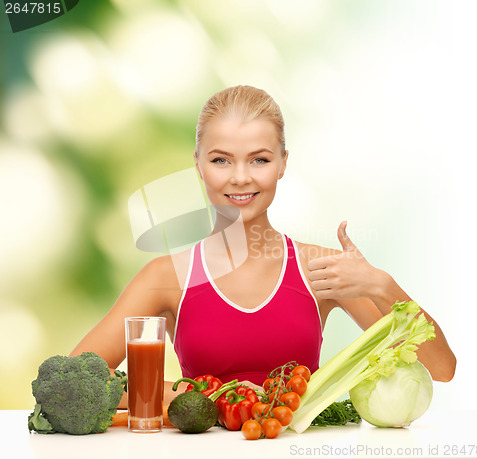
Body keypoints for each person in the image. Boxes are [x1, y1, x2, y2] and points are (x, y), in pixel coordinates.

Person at [70, 85, 456, 408]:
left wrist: (380, 285)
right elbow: (75, 380)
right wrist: (192, 394)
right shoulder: (167, 276)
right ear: (198, 165)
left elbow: (440, 368)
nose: (240, 178)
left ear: (283, 163)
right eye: (221, 160)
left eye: (259, 160)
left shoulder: (321, 269)